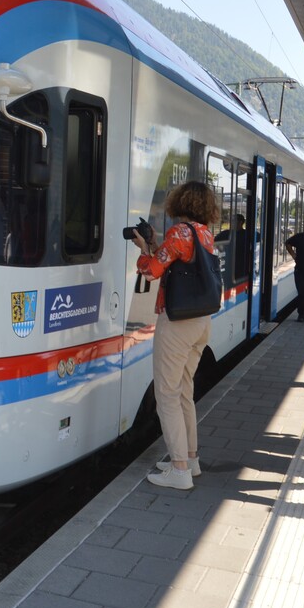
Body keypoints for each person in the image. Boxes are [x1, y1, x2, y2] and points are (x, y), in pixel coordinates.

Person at [131, 181, 221, 490]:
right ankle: (190, 460)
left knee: (166, 395)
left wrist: (144, 250)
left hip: (177, 322)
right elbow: (174, 262)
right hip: (200, 322)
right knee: (184, 391)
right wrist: (157, 245)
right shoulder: (204, 234)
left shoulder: (180, 233)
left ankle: (179, 470)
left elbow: (151, 271)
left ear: (179, 202)